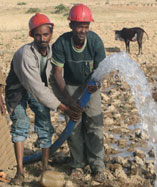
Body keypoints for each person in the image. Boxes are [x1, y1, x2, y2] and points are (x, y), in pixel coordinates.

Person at [5, 13, 82, 185]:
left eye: (46, 34)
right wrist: (64, 108)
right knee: (21, 125)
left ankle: (45, 168)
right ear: (32, 35)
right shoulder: (25, 54)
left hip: (38, 89)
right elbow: (37, 88)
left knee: (44, 123)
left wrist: (69, 101)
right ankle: (20, 171)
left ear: (51, 33)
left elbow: (53, 80)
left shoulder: (53, 52)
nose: (42, 38)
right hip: (18, 91)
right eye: (38, 35)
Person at [51, 4, 106, 182]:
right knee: (73, 126)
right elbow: (57, 73)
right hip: (69, 86)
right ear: (71, 26)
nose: (83, 30)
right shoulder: (62, 43)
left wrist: (96, 83)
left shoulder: (95, 41)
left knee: (94, 124)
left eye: (86, 26)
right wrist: (68, 99)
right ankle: (77, 165)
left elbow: (102, 69)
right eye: (79, 26)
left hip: (91, 86)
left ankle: (97, 166)